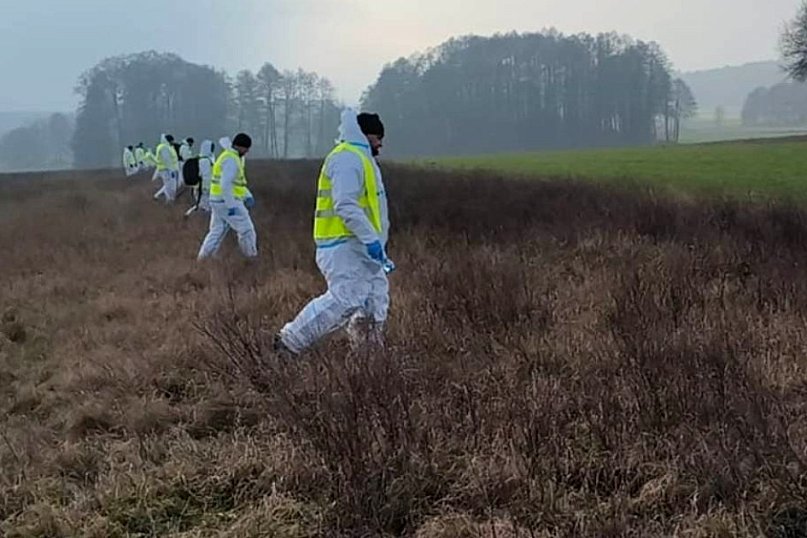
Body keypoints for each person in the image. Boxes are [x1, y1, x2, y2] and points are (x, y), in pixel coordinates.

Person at [276, 109, 391, 356]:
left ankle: (371, 362)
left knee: (374, 304)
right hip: (343, 246)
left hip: (364, 249)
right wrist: (371, 239)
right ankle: (289, 343)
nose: (381, 143)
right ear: (367, 135)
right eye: (378, 137)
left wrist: (377, 246)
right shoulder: (347, 158)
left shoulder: (363, 158)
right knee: (345, 299)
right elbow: (345, 204)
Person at [197, 134, 257, 259]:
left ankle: (203, 259)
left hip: (217, 200)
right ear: (239, 146)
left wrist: (247, 195)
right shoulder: (231, 160)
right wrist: (231, 205)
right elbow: (225, 184)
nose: (247, 151)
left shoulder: (228, 156)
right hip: (227, 202)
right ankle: (251, 258)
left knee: (217, 230)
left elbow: (236, 183)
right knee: (246, 230)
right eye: (246, 148)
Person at [184, 139, 215, 217]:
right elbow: (206, 176)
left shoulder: (200, 159)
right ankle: (189, 217)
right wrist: (208, 188)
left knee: (201, 206)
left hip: (199, 187)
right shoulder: (205, 161)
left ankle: (189, 215)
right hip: (203, 188)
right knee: (204, 207)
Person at [153, 134, 180, 203]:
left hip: (169, 169)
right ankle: (169, 200)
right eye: (172, 141)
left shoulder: (168, 147)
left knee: (170, 185)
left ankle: (168, 198)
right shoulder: (164, 147)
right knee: (169, 185)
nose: (173, 142)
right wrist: (171, 170)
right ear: (169, 140)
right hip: (166, 169)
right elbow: (167, 160)